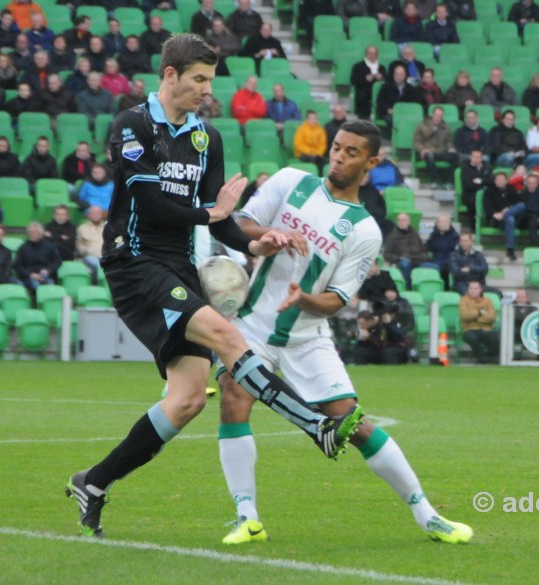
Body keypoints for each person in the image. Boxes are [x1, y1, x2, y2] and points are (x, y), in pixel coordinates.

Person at [65, 34, 367, 540]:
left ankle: (92, 483)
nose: (206, 90)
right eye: (198, 79)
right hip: (134, 263)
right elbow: (153, 207)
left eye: (209, 80)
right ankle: (315, 425)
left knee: (186, 401)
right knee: (229, 338)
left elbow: (222, 224)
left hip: (179, 267)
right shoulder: (132, 127)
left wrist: (256, 243)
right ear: (169, 75)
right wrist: (214, 213)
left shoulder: (207, 139)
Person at [215, 135, 473, 546]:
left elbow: (336, 300)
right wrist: (272, 233)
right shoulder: (289, 181)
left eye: (351, 152)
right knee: (233, 397)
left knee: (352, 422)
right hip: (254, 324)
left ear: (371, 161)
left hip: (307, 335)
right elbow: (239, 225)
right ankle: (246, 517)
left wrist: (304, 298)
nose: (338, 156)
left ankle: (428, 514)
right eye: (336, 147)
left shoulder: (365, 230)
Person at [484, 172, 524, 261]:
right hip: (497, 220)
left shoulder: (511, 189)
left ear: (506, 181)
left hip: (512, 216)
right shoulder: (489, 191)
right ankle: (510, 250)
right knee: (510, 220)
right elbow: (487, 207)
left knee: (521, 205)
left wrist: (508, 209)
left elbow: (518, 202)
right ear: (494, 181)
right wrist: (494, 214)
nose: (500, 182)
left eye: (502, 180)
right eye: (498, 180)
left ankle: (506, 215)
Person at [413, 106, 457, 187]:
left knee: (455, 156)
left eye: (440, 116)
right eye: (436, 115)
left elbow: (448, 142)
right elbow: (416, 142)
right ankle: (434, 181)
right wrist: (422, 149)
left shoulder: (446, 128)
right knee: (429, 155)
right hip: (427, 151)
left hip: (441, 152)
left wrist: (450, 148)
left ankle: (449, 182)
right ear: (432, 115)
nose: (438, 118)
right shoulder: (422, 126)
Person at [383, 212, 427, 289]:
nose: (401, 222)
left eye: (404, 220)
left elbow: (424, 251)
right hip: (401, 261)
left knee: (434, 266)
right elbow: (386, 254)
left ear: (409, 221)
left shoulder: (415, 234)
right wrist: (399, 258)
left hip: (417, 260)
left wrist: (419, 257)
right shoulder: (392, 236)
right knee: (405, 264)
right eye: (399, 220)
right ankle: (408, 288)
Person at [14, 221, 61, 290]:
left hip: (46, 275)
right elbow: (17, 266)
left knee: (51, 287)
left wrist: (48, 270)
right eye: (29, 232)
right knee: (36, 285)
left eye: (33, 232)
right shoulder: (23, 247)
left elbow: (57, 261)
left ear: (40, 233)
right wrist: (30, 274)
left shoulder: (49, 246)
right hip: (30, 277)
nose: (30, 234)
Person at [459, 280, 499, 362]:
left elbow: (492, 317)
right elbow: (465, 316)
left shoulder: (487, 301)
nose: (473, 290)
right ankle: (484, 359)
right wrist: (479, 312)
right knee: (472, 338)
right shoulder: (463, 300)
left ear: (480, 290)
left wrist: (475, 318)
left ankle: (486, 358)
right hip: (469, 329)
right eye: (471, 288)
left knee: (497, 338)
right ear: (468, 289)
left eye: (476, 288)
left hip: (486, 329)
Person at [375, 63, 422, 128]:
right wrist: (388, 110)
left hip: (406, 114)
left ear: (405, 75)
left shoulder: (411, 89)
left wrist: (405, 111)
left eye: (401, 74)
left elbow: (415, 103)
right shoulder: (385, 87)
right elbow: (380, 102)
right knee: (393, 121)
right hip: (390, 114)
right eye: (396, 74)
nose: (398, 76)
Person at [423, 215, 459, 290]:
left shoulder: (454, 236)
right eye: (439, 222)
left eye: (444, 222)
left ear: (449, 223)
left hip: (448, 260)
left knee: (444, 269)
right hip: (435, 260)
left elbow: (456, 252)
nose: (441, 224)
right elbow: (427, 247)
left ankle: (445, 289)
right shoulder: (434, 235)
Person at [459, 149, 491, 227]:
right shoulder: (465, 168)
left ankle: (489, 224)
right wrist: (483, 182)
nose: (476, 159)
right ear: (470, 157)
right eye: (474, 157)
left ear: (482, 158)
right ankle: (473, 226)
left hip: (485, 193)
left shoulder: (487, 167)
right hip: (470, 194)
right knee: (472, 202)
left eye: (478, 157)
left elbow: (491, 181)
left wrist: (479, 181)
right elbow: (467, 184)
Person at [293, 110, 328, 174]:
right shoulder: (301, 129)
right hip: (303, 154)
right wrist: (310, 152)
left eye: (314, 118)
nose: (312, 120)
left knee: (326, 161)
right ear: (307, 119)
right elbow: (298, 145)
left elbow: (323, 145)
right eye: (310, 118)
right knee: (313, 159)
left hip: (317, 155)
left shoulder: (321, 130)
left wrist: (317, 153)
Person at [76, 205, 105, 283]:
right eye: (93, 213)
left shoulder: (107, 227)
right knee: (96, 263)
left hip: (106, 255)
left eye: (98, 213)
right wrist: (87, 251)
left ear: (102, 215)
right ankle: (96, 284)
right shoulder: (82, 228)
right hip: (90, 257)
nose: (96, 215)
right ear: (88, 215)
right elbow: (79, 246)